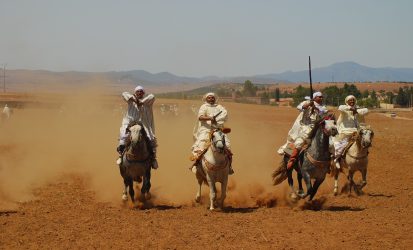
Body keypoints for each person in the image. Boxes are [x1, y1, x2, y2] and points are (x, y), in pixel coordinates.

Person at [190, 92, 234, 175]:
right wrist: (210, 118)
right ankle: (197, 166)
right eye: (209, 98)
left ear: (215, 98)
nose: (211, 99)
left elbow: (225, 114)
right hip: (206, 130)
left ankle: (229, 167)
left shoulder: (219, 107)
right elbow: (200, 117)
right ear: (206, 99)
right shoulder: (204, 106)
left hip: (218, 129)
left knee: (227, 146)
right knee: (200, 146)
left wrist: (216, 119)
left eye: (212, 97)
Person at [117, 85, 158, 169]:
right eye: (137, 91)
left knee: (151, 138)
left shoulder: (147, 102)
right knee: (123, 135)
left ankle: (153, 158)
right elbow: (124, 94)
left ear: (143, 93)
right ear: (135, 93)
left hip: (143, 125)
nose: (139, 93)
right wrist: (134, 100)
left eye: (141, 91)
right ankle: (121, 156)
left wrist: (141, 102)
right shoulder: (130, 101)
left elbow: (152, 96)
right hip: (129, 124)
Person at [285, 91, 328, 169]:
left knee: (327, 143)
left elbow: (323, 114)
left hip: (316, 129)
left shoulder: (323, 107)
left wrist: (315, 108)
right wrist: (309, 104)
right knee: (299, 143)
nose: (321, 98)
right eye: (319, 97)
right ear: (315, 98)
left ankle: (328, 163)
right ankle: (291, 160)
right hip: (305, 128)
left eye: (322, 97)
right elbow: (299, 107)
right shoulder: (306, 102)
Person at [332, 95, 368, 169]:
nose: (352, 101)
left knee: (366, 141)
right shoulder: (344, 109)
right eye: (350, 100)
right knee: (340, 146)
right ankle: (337, 159)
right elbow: (340, 107)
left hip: (357, 131)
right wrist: (351, 109)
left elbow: (366, 111)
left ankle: (363, 157)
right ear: (347, 102)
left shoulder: (358, 109)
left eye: (353, 100)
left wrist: (356, 111)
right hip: (346, 131)